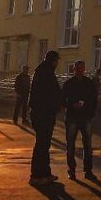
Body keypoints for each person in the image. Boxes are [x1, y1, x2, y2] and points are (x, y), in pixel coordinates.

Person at [28, 50, 62, 186]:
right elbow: (51, 93)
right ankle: (36, 175)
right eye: (56, 61)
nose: (57, 63)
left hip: (40, 112)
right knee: (42, 145)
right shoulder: (46, 73)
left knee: (43, 144)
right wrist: (58, 104)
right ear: (53, 61)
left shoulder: (41, 71)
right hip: (44, 113)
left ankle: (45, 173)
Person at [62, 59, 98, 180]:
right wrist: (71, 105)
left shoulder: (89, 83)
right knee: (71, 145)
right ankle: (72, 170)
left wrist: (90, 112)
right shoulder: (68, 84)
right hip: (72, 117)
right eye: (78, 68)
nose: (80, 70)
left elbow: (94, 99)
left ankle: (88, 171)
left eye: (82, 68)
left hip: (85, 117)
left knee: (87, 146)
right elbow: (62, 100)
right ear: (74, 69)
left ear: (84, 69)